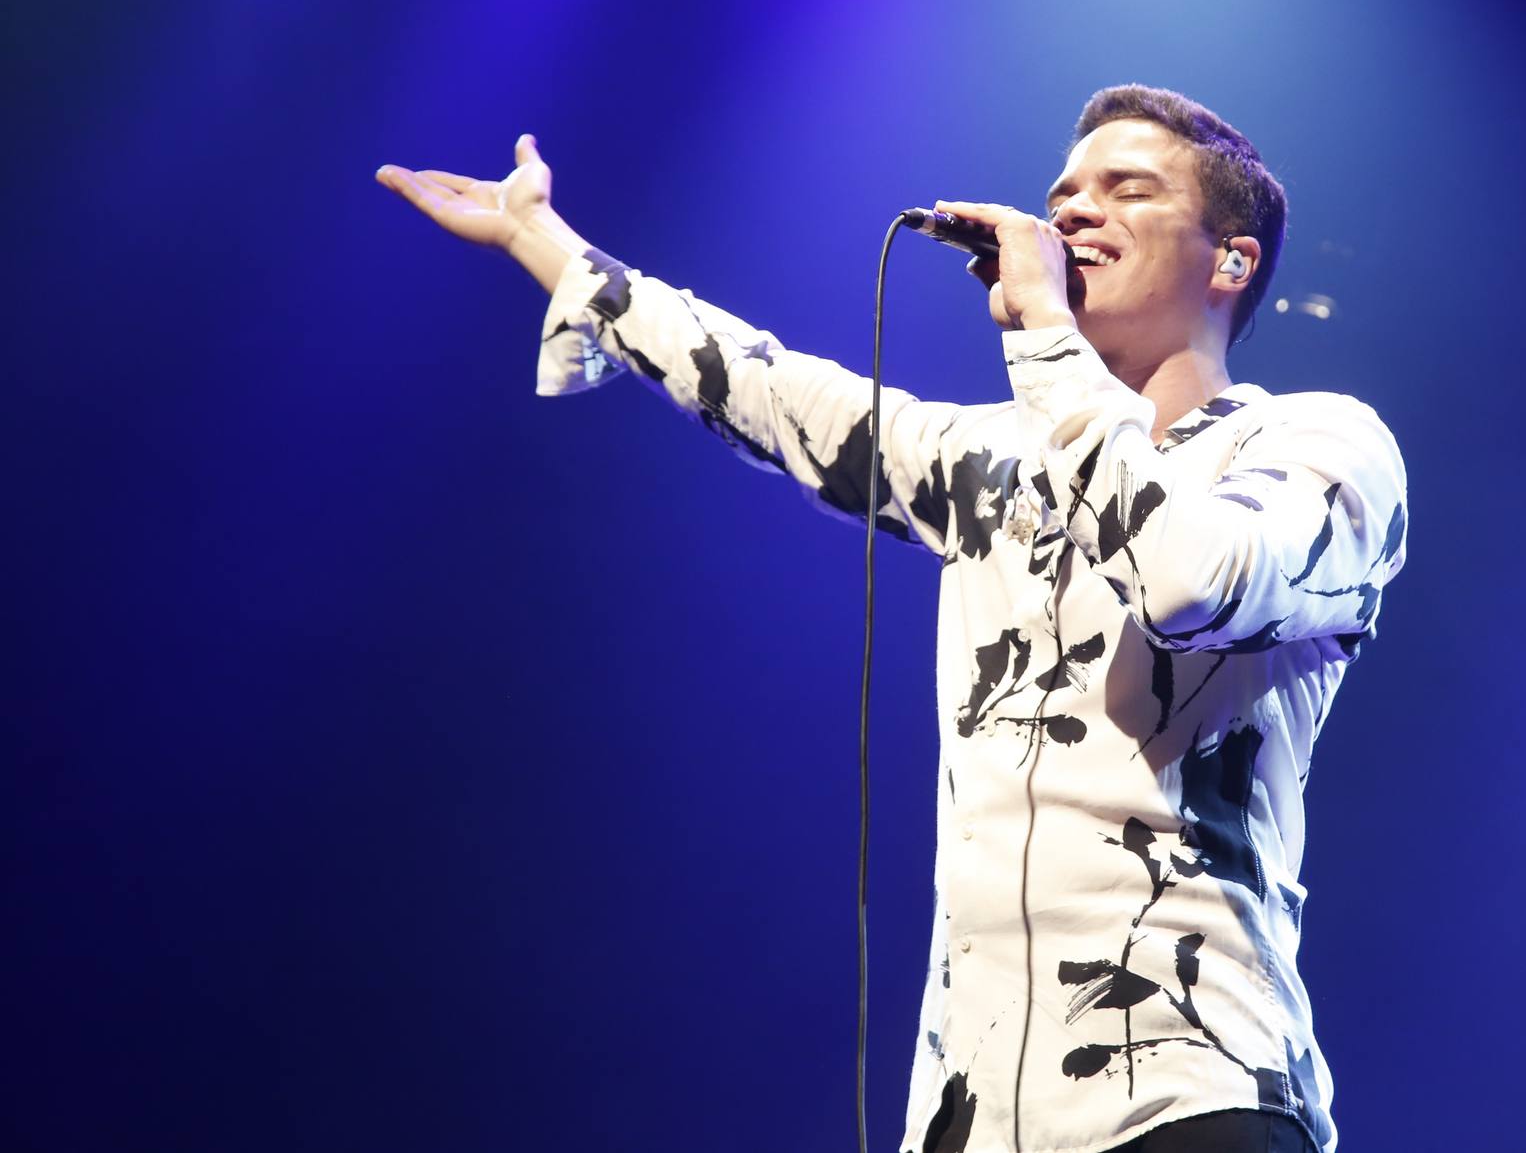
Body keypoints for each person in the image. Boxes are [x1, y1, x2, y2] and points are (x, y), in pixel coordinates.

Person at [377, 85, 1408, 1153]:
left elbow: (1186, 582)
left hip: (1191, 1093)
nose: (1071, 210)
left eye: (1126, 189)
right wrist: (541, 240)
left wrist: (1049, 339)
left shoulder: (1317, 447)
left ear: (1229, 261)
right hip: (975, 1116)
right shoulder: (992, 460)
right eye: (1063, 192)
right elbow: (774, 391)